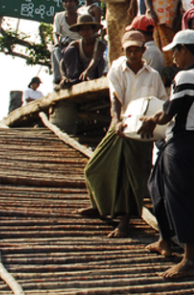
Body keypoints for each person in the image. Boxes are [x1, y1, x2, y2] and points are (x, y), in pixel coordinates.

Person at [139, 29, 194, 280]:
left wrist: (152, 120)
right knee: (156, 187)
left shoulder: (186, 76)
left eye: (176, 50)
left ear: (184, 50)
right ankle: (165, 240)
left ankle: (190, 259)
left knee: (179, 197)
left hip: (183, 141)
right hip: (184, 140)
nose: (174, 56)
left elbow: (171, 111)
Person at [80, 31, 167, 238]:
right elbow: (115, 98)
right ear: (123, 50)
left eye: (137, 50)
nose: (133, 54)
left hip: (142, 129)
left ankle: (125, 222)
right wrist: (117, 120)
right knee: (95, 167)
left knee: (132, 177)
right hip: (121, 123)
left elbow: (162, 102)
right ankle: (101, 205)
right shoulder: (117, 69)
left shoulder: (153, 75)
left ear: (143, 51)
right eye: (129, 50)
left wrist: (155, 124)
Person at [59, 14, 108, 87]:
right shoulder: (75, 44)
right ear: (79, 32)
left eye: (87, 29)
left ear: (93, 30)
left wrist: (87, 71)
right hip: (78, 71)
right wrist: (64, 76)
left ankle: (89, 78)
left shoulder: (100, 45)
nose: (85, 32)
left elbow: (95, 59)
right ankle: (73, 78)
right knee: (69, 50)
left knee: (100, 60)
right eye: (82, 29)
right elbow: (63, 62)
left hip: (92, 72)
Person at [51, 0, 82, 84]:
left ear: (76, 2)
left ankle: (73, 76)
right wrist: (56, 43)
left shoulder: (81, 17)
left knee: (71, 50)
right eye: (65, 1)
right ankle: (58, 79)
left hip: (77, 44)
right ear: (63, 4)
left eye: (71, 1)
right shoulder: (59, 16)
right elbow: (55, 33)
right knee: (55, 51)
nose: (68, 4)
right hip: (64, 43)